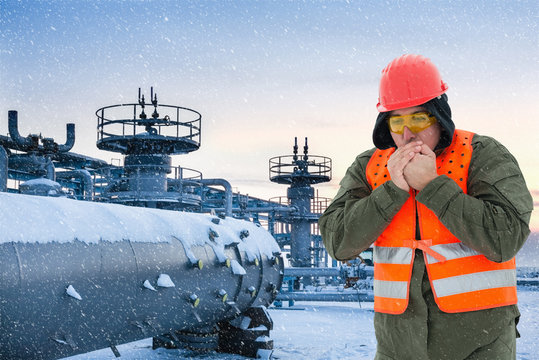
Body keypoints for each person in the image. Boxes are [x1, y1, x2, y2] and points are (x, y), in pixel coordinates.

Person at [319, 54, 533, 360]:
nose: (408, 134)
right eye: (397, 121)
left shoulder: (483, 155)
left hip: (480, 347)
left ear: (439, 114)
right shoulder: (369, 167)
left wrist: (433, 186)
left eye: (419, 118)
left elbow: (506, 237)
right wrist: (391, 191)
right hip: (397, 349)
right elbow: (338, 242)